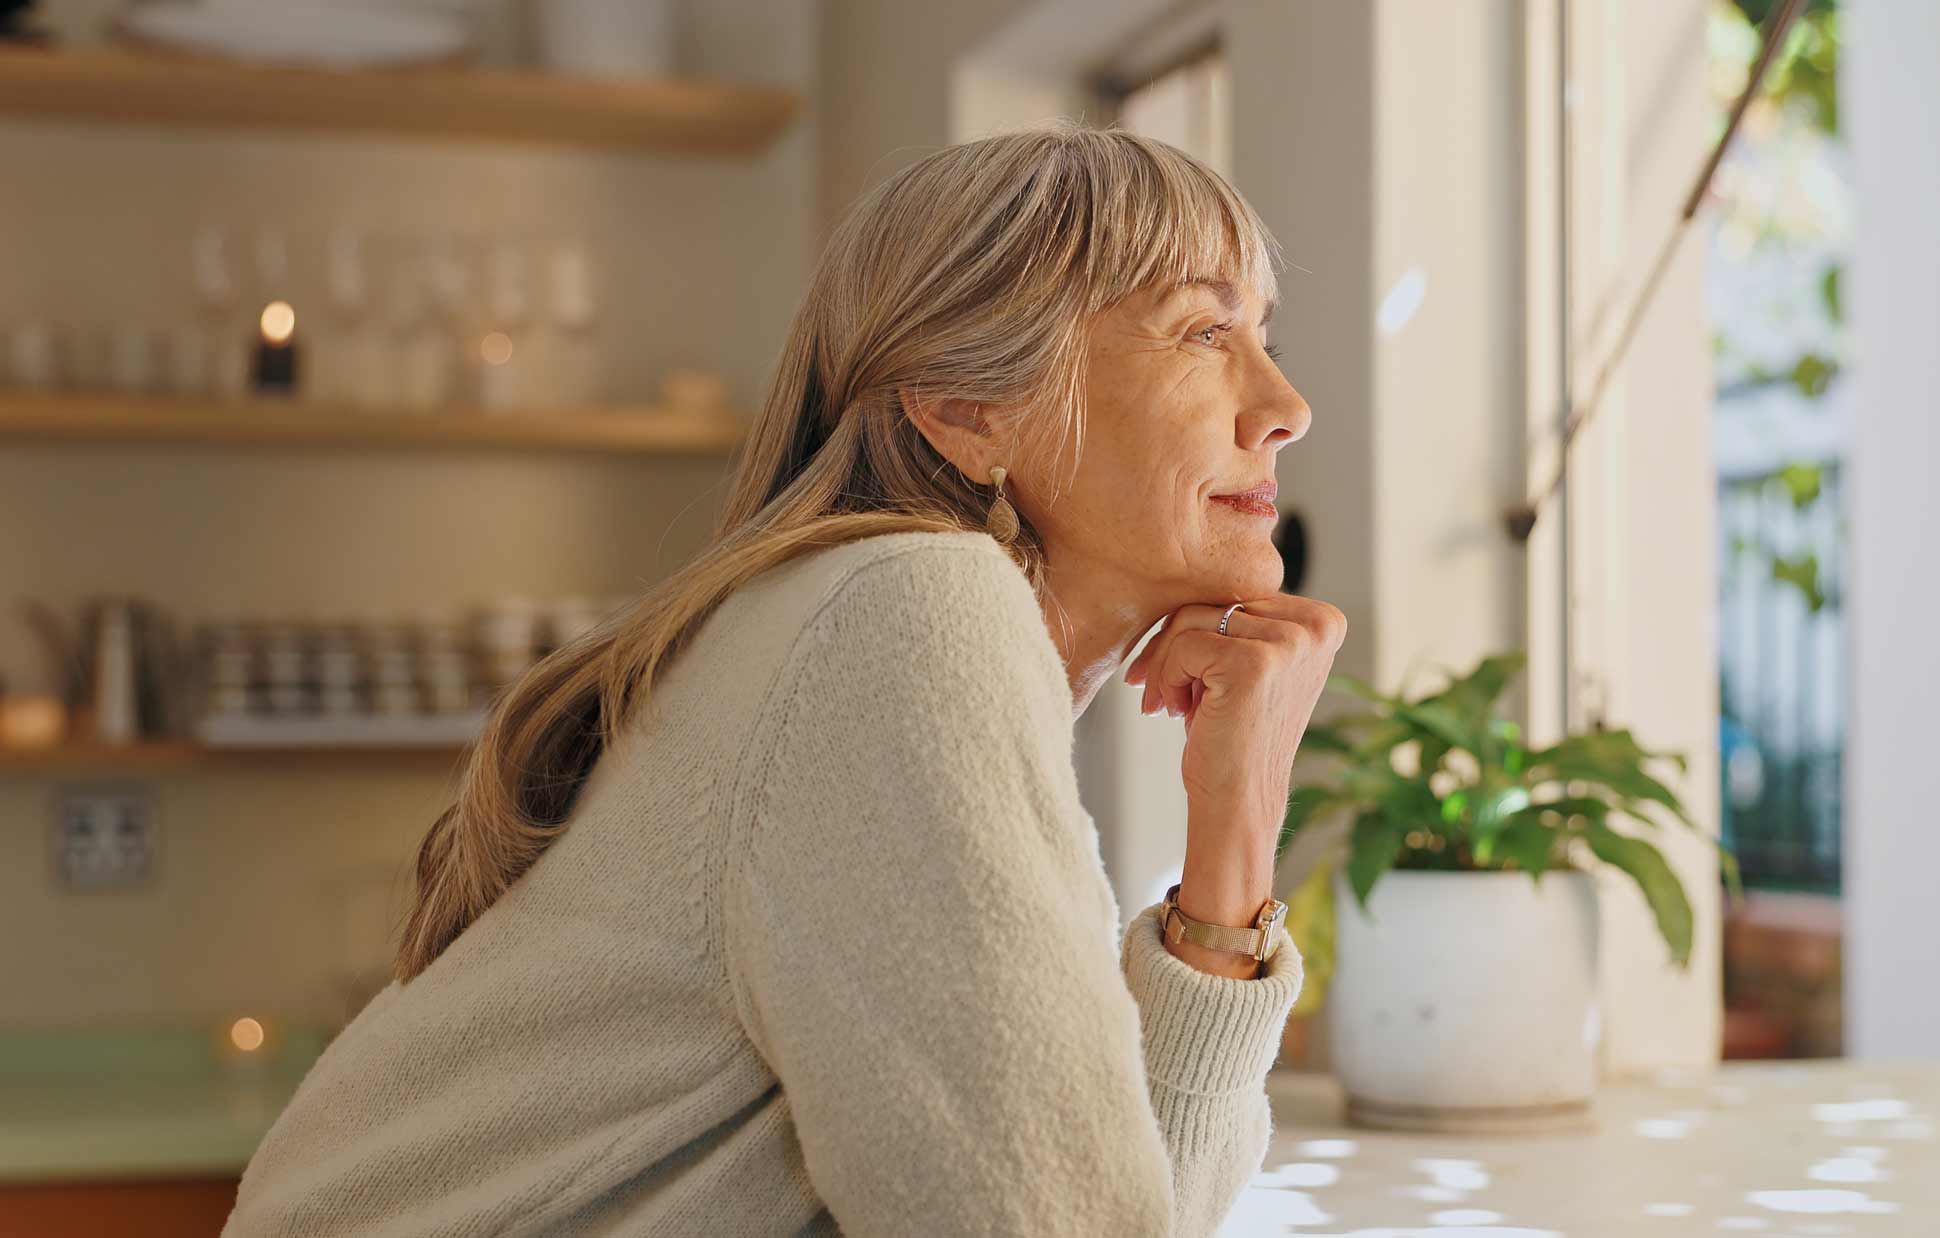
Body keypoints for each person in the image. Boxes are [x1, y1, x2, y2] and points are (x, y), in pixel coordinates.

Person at [224, 120, 1346, 1237]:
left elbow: (1127, 1199)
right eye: (1204, 330)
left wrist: (1234, 826)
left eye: (1264, 336)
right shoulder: (905, 607)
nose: (1284, 405)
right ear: (966, 411)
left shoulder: (878, 620)